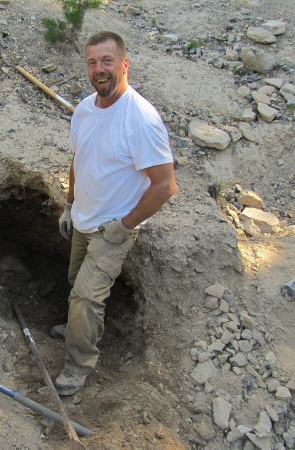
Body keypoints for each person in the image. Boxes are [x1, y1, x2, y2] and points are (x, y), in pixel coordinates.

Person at [54, 31, 178, 396]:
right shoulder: (84, 110)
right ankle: (80, 327)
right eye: (92, 62)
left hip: (114, 227)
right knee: (76, 282)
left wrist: (123, 226)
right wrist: (69, 204)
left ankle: (78, 364)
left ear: (124, 65)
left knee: (86, 298)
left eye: (107, 61)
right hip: (84, 217)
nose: (99, 69)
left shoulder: (141, 119)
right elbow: (79, 160)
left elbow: (165, 185)